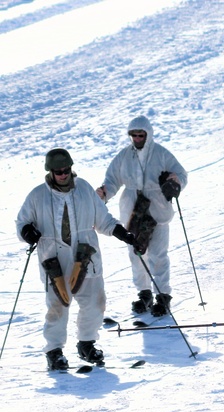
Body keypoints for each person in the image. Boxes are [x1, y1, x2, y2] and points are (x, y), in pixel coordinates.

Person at [15, 149, 137, 370]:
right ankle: (54, 351)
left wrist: (121, 232)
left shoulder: (85, 190)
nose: (63, 175)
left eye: (66, 170)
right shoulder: (37, 195)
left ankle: (87, 344)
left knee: (95, 303)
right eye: (58, 171)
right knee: (57, 306)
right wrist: (27, 232)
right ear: (50, 172)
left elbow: (103, 220)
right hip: (54, 259)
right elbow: (22, 222)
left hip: (85, 257)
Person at [97, 115, 187, 318]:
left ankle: (162, 296)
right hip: (132, 211)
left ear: (148, 135)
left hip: (157, 210)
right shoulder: (123, 156)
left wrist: (174, 182)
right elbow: (112, 180)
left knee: (158, 254)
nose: (137, 138)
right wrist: (104, 193)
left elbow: (181, 174)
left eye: (141, 135)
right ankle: (144, 293)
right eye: (134, 135)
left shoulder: (162, 154)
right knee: (136, 254)